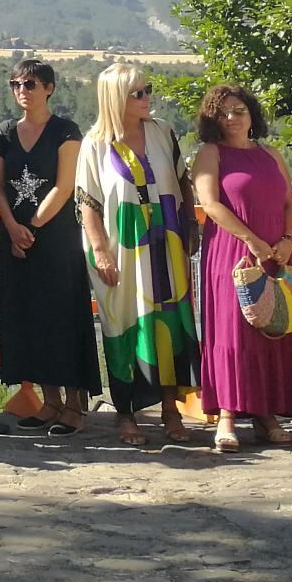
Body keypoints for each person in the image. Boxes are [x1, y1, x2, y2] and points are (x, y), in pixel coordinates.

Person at [74, 60, 197, 446]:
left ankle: (170, 410)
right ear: (116, 98)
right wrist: (100, 250)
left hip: (167, 243)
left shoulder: (162, 132)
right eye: (138, 93)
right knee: (124, 324)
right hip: (122, 248)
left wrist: (190, 225)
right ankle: (125, 412)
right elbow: (87, 202)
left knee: (170, 323)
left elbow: (182, 182)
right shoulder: (95, 144)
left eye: (147, 91)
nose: (147, 98)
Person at [190, 82, 292, 452]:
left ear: (251, 115)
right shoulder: (210, 154)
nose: (231, 118)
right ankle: (226, 415)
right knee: (232, 333)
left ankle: (266, 414)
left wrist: (287, 242)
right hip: (233, 253)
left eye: (239, 110)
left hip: (277, 253)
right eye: (223, 112)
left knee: (273, 326)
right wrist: (252, 241)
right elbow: (210, 204)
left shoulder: (271, 155)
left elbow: (290, 204)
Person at [0, 60, 98, 436]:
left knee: (62, 320)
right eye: (16, 83)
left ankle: (74, 407)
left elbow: (65, 186)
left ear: (49, 88)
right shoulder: (4, 132)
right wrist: (13, 228)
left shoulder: (66, 131)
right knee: (29, 321)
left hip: (55, 240)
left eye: (30, 83)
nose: (22, 90)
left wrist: (30, 229)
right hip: (14, 237)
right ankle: (49, 404)